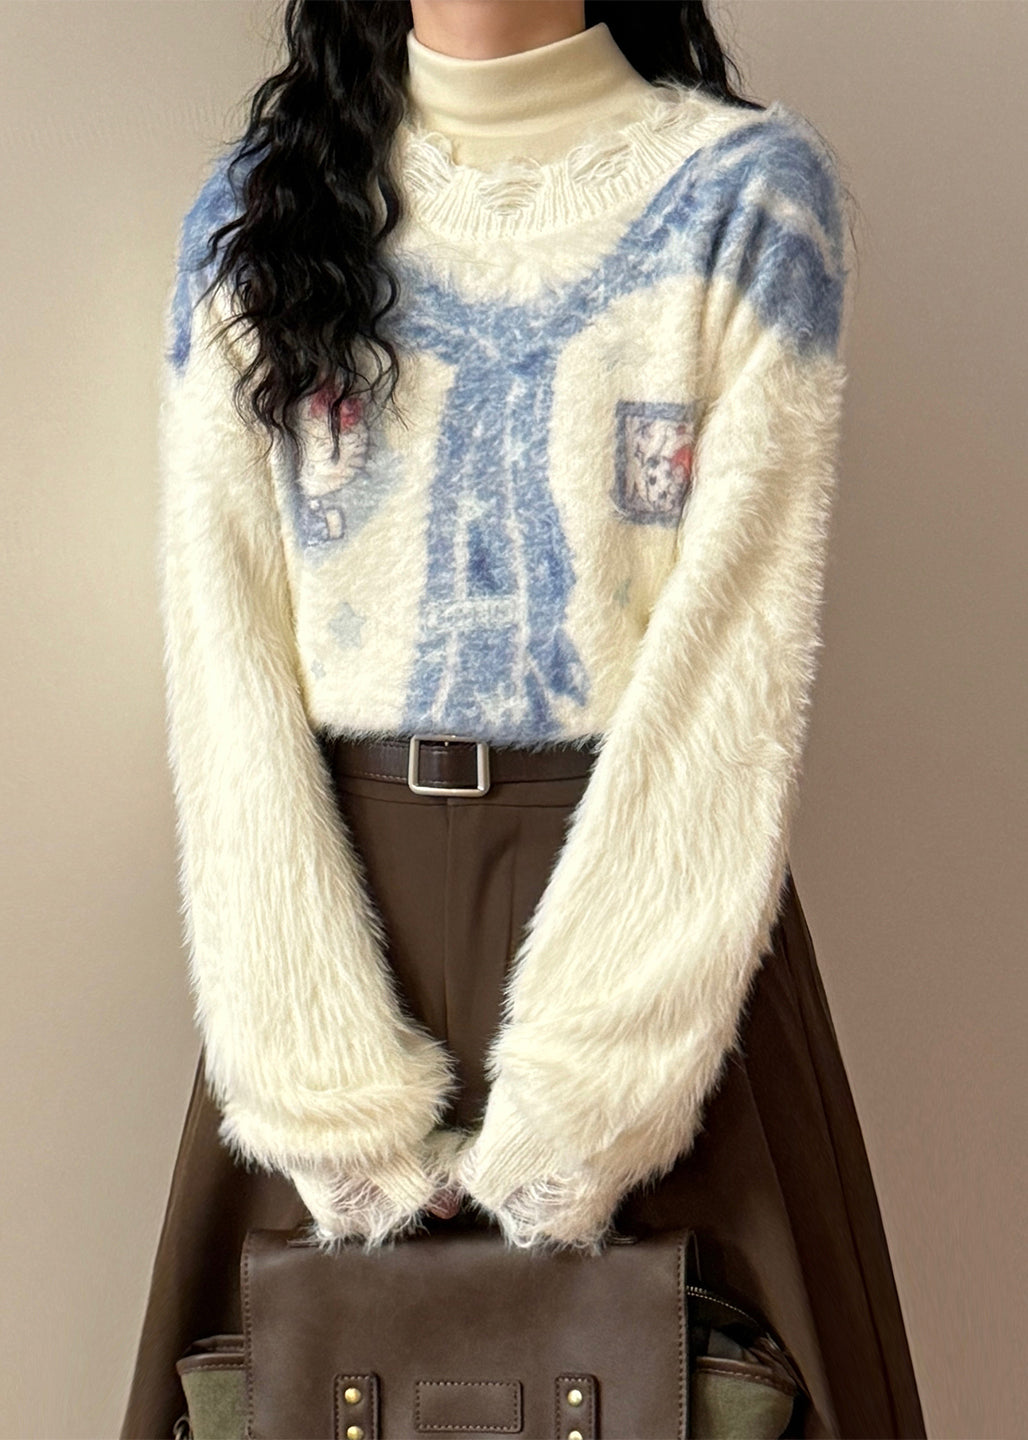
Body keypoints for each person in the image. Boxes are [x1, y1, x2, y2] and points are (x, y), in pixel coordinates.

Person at [120, 2, 928, 1436]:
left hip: (655, 932)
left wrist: (595, 1101)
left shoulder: (747, 199)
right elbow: (222, 663)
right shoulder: (257, 217)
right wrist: (316, 1088)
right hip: (331, 935)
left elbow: (736, 670)